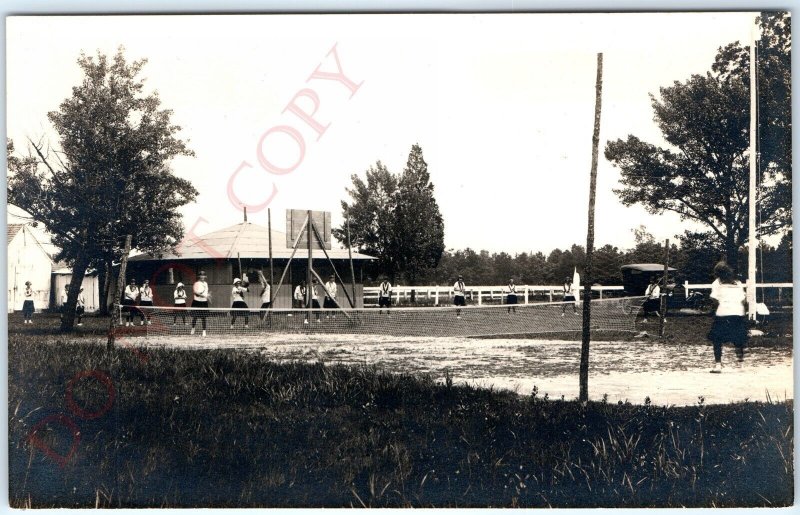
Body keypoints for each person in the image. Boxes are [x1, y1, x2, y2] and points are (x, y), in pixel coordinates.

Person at [707, 262, 747, 373]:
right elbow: (744, 300)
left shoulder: (717, 283)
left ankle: (718, 365)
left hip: (723, 313)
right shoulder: (738, 283)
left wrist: (714, 310)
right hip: (737, 313)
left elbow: (714, 299)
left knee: (717, 339)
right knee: (738, 339)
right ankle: (740, 365)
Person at [190, 271, 210, 337]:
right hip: (196, 302)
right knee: (195, 317)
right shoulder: (196, 283)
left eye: (203, 275)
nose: (202, 276)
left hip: (204, 302)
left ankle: (204, 331)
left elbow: (206, 293)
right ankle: (193, 328)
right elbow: (195, 293)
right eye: (201, 275)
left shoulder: (206, 284)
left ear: (205, 276)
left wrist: (206, 296)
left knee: (203, 317)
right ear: (199, 276)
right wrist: (202, 295)